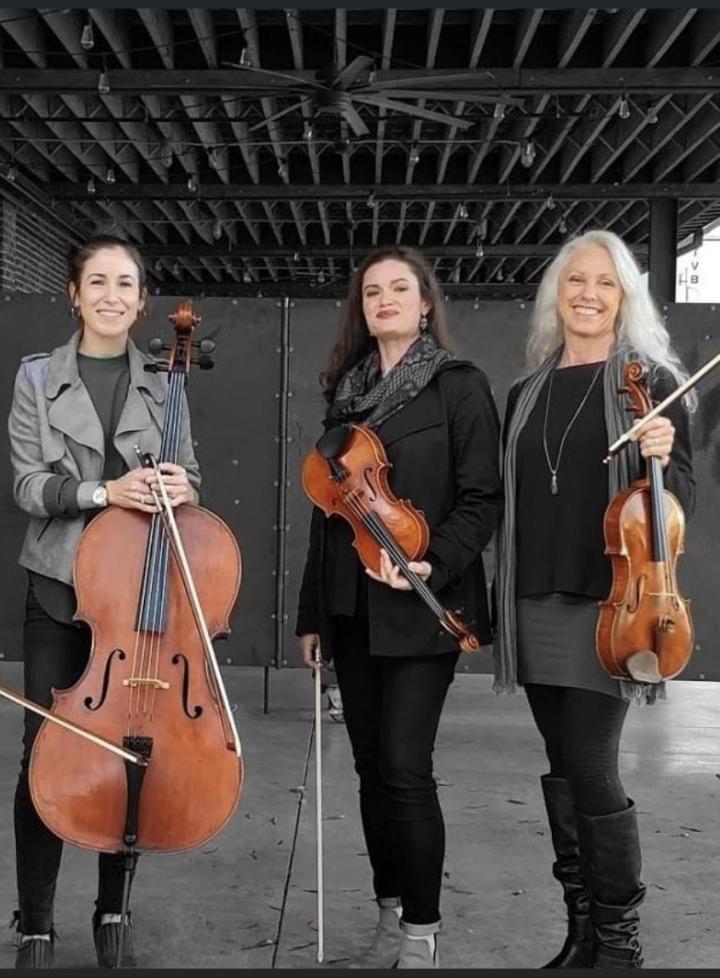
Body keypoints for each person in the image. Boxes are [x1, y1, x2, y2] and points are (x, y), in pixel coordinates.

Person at [492, 229, 695, 968]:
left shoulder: (652, 386)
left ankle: (619, 944)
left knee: (592, 765)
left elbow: (679, 508)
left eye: (605, 283)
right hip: (535, 600)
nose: (587, 293)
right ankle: (582, 933)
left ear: (625, 297)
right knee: (561, 767)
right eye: (575, 281)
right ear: (556, 295)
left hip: (612, 606)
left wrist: (663, 458)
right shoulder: (525, 394)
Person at [295, 245, 503, 968]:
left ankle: (420, 933)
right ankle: (388, 915)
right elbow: (332, 517)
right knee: (368, 769)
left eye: (399, 288)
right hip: (351, 607)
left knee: (405, 766)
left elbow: (483, 500)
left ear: (424, 305)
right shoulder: (345, 396)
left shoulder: (459, 387)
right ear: (362, 309)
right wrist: (312, 615)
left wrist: (434, 563)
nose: (384, 298)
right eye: (372, 290)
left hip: (422, 602)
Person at [7, 234, 200, 969]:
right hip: (61, 590)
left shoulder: (165, 376)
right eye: (98, 282)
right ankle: (35, 921)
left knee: (130, 750)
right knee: (43, 755)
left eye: (126, 283)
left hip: (138, 598)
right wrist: (103, 492)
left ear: (142, 299)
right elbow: (29, 484)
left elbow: (192, 476)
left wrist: (185, 486)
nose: (113, 295)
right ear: (74, 293)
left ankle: (114, 906)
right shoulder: (35, 379)